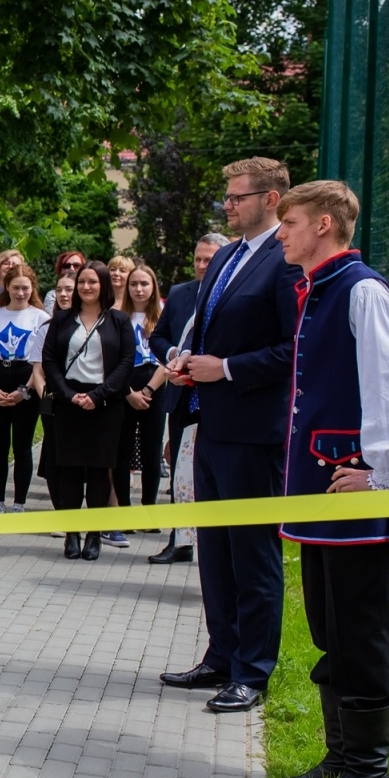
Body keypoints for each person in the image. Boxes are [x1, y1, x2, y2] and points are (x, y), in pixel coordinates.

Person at [274, 180, 389, 778]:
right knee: (330, 624)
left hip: (359, 494)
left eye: (289, 223)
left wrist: (383, 472)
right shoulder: (317, 291)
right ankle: (342, 759)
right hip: (324, 493)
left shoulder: (362, 289)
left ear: (321, 225)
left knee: (361, 629)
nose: (281, 234)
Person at [162, 157, 299, 714]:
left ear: (271, 200)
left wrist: (229, 368)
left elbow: (294, 349)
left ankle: (253, 671)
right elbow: (210, 330)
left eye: (238, 196)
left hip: (255, 433)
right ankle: (221, 655)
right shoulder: (223, 257)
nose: (228, 204)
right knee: (214, 552)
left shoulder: (285, 260)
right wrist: (189, 362)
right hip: (212, 427)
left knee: (252, 555)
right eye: (227, 196)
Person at [41, 261, 134, 561]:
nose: (86, 287)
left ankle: (94, 534)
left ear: (103, 285)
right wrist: (69, 396)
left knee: (97, 472)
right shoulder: (63, 319)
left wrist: (98, 395)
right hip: (68, 404)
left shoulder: (119, 321)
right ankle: (71, 533)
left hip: (105, 406)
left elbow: (125, 364)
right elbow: (49, 360)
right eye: (82, 282)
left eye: (93, 282)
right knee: (68, 471)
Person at [148, 234, 226, 564]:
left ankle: (215, 545)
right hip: (182, 397)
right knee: (182, 473)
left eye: (209, 259)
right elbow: (158, 337)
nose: (202, 265)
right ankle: (180, 540)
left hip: (219, 401)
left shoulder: (232, 294)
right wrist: (174, 354)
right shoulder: (180, 294)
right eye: (198, 259)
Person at [0, 264, 49, 513]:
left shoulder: (40, 318)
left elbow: (41, 361)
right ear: (6, 286)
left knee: (22, 445)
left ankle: (19, 502)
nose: (20, 293)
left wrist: (24, 392)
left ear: (32, 288)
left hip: (26, 378)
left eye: (25, 288)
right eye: (15, 287)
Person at [113, 265, 168, 522]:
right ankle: (124, 509)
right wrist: (128, 392)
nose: (138, 289)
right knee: (121, 451)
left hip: (155, 386)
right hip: (125, 388)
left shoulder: (163, 314)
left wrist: (148, 390)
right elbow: (110, 361)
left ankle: (149, 511)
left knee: (151, 451)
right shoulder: (116, 316)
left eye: (144, 284)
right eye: (134, 283)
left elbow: (169, 359)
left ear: (153, 286)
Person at [36, 272, 75, 492]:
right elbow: (38, 370)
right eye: (58, 289)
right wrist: (48, 397)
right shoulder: (47, 326)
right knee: (53, 454)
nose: (62, 294)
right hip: (53, 400)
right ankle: (58, 508)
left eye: (68, 289)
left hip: (82, 399)